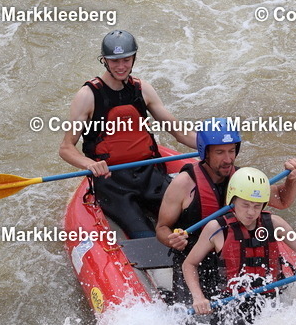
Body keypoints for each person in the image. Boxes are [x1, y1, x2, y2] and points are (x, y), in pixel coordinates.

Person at [59, 30, 196, 238]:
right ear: (104, 60)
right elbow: (66, 148)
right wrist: (89, 164)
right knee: (144, 235)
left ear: (134, 58)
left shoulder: (143, 90)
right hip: (113, 182)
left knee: (191, 220)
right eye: (115, 61)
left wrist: (211, 146)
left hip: (150, 175)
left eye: (126, 60)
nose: (121, 66)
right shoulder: (87, 96)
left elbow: (178, 131)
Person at [155, 119, 296, 303]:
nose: (228, 159)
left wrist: (292, 178)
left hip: (238, 259)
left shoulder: (243, 178)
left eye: (231, 151)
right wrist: (172, 240)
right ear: (205, 153)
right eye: (220, 152)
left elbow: (282, 200)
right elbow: (162, 228)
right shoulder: (183, 184)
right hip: (197, 262)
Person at [184, 167, 296, 325]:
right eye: (245, 205)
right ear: (233, 200)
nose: (251, 212)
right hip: (231, 307)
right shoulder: (216, 229)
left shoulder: (275, 224)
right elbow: (189, 264)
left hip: (272, 303)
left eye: (257, 206)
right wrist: (198, 297)